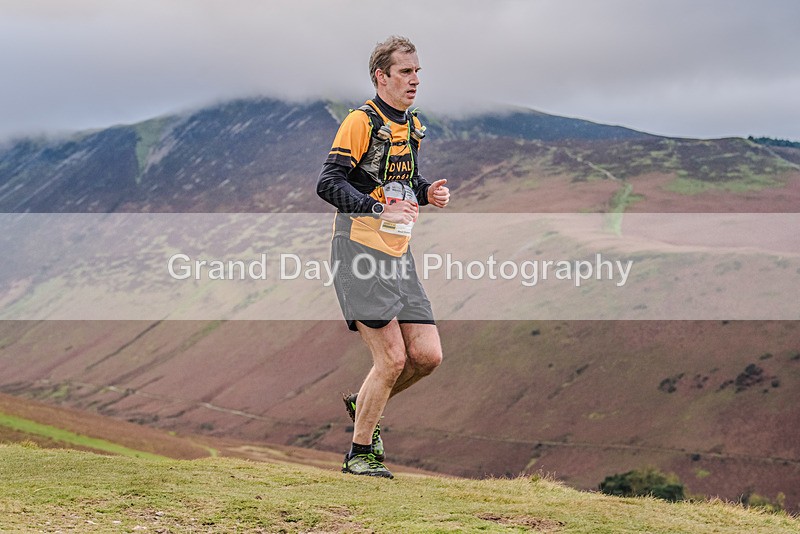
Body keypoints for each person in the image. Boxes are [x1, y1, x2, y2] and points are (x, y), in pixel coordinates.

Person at [316, 35, 450, 478]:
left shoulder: (411, 125)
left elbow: (402, 182)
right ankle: (360, 455)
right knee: (391, 360)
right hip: (358, 251)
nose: (415, 80)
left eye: (417, 72)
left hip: (398, 253)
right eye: (406, 72)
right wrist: (377, 210)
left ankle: (364, 403)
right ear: (381, 76)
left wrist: (427, 193)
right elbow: (328, 183)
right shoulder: (360, 121)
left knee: (426, 356)